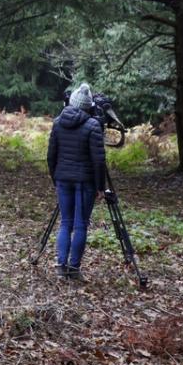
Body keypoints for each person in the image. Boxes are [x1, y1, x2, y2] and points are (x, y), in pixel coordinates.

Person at [46, 83, 109, 281]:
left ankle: (60, 265)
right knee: (80, 225)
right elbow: (99, 160)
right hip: (85, 182)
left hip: (63, 179)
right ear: (89, 106)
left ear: (72, 102)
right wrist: (100, 187)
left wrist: (55, 177)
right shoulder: (92, 125)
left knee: (65, 223)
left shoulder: (58, 122)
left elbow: (51, 155)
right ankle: (74, 268)